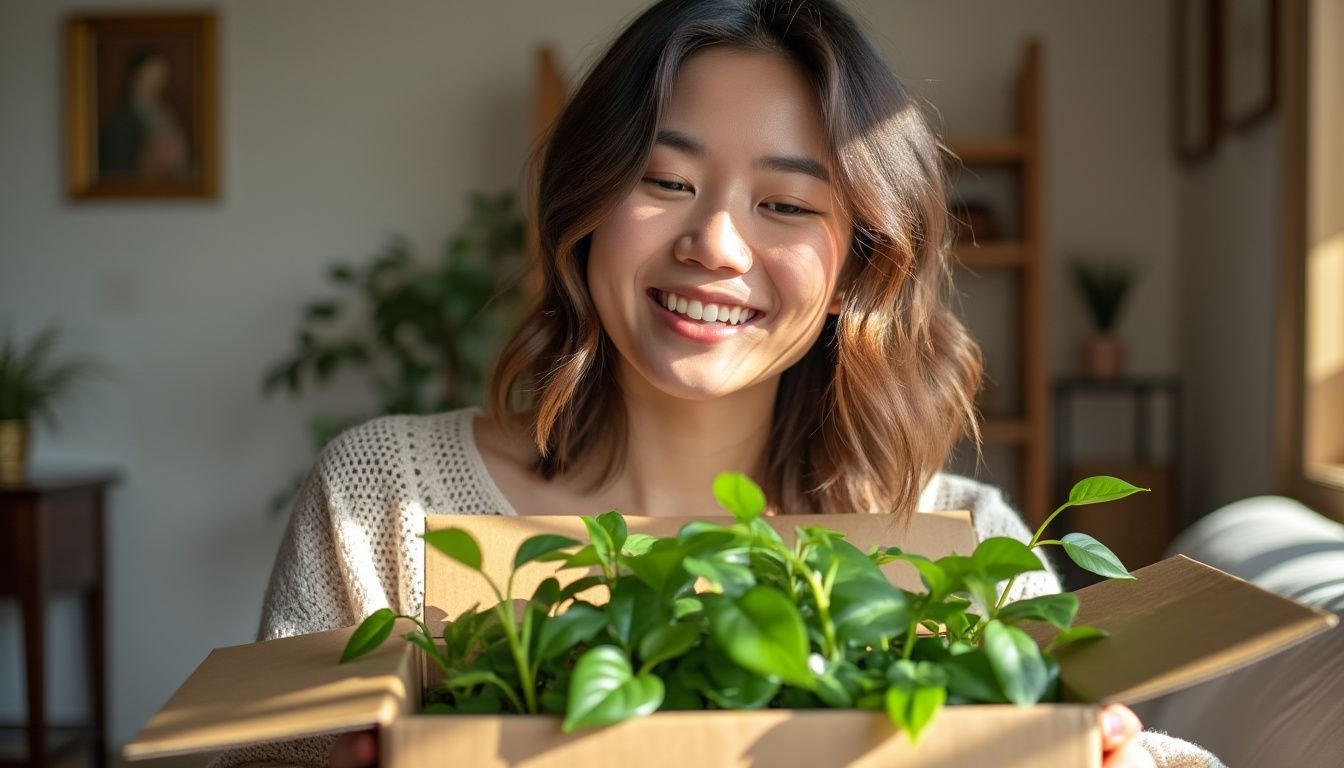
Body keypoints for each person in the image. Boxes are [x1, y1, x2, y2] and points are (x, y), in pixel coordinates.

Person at [224, 1, 1223, 766]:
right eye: (666, 181)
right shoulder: (384, 504)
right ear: (585, 204)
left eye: (786, 202)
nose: (714, 243)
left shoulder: (959, 546)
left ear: (858, 266)